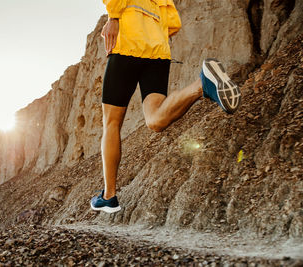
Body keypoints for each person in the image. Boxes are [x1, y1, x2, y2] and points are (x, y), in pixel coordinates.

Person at [90, 0, 241, 213]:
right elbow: (174, 22)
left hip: (128, 43)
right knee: (155, 120)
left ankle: (109, 196)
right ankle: (202, 85)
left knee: (111, 123)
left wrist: (113, 17)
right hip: (159, 50)